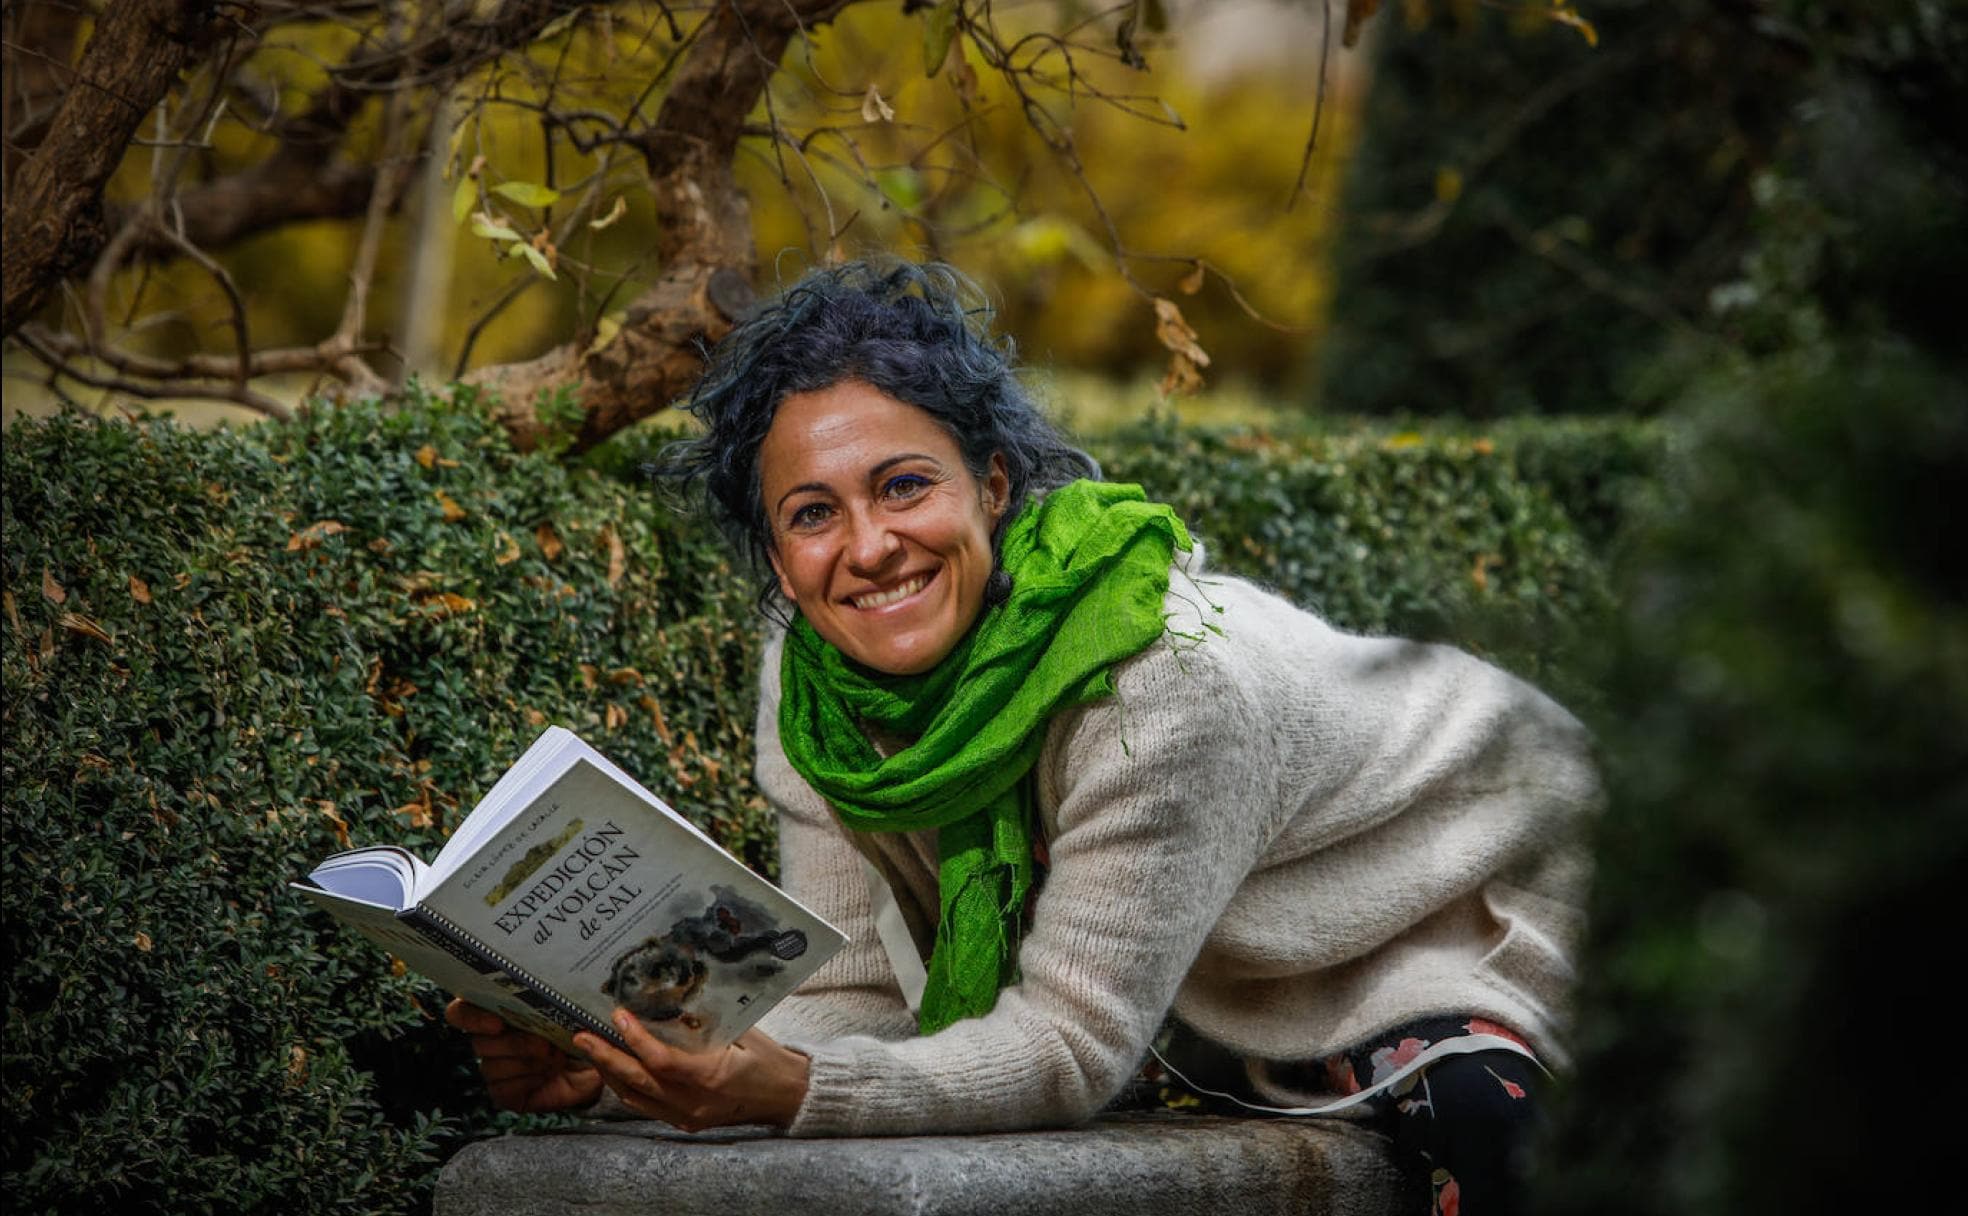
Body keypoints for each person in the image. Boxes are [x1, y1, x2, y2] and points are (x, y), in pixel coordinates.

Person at [446, 259, 1599, 1213]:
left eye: (904, 485)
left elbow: (1070, 1046)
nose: (869, 546)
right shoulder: (817, 690)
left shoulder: (1155, 691)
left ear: (993, 485)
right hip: (1237, 956)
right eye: (812, 513)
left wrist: (787, 1089)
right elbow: (851, 1003)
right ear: (777, 555)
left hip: (1471, 869)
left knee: (1492, 1142)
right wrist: (618, 1067)